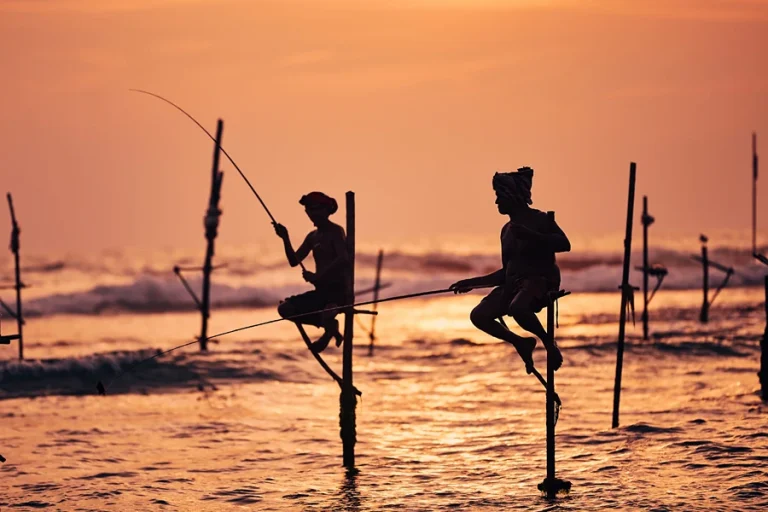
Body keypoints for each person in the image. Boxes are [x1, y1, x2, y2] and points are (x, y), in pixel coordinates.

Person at [449, 167, 570, 372]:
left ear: (513, 196)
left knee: (518, 308)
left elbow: (564, 244)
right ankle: (521, 342)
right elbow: (506, 273)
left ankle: (549, 344)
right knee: (479, 315)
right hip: (514, 285)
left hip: (541, 282)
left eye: (500, 196)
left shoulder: (540, 219)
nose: (497, 202)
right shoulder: (506, 230)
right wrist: (471, 283)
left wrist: (532, 235)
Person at [273, 192, 349, 353]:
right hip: (320, 293)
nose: (312, 214)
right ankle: (329, 326)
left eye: (315, 210)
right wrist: (285, 238)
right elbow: (294, 261)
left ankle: (327, 331)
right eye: (309, 210)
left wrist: (317, 276)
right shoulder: (312, 237)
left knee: (329, 310)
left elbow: (343, 258)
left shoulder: (336, 231)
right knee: (285, 309)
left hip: (338, 293)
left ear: (326, 210)